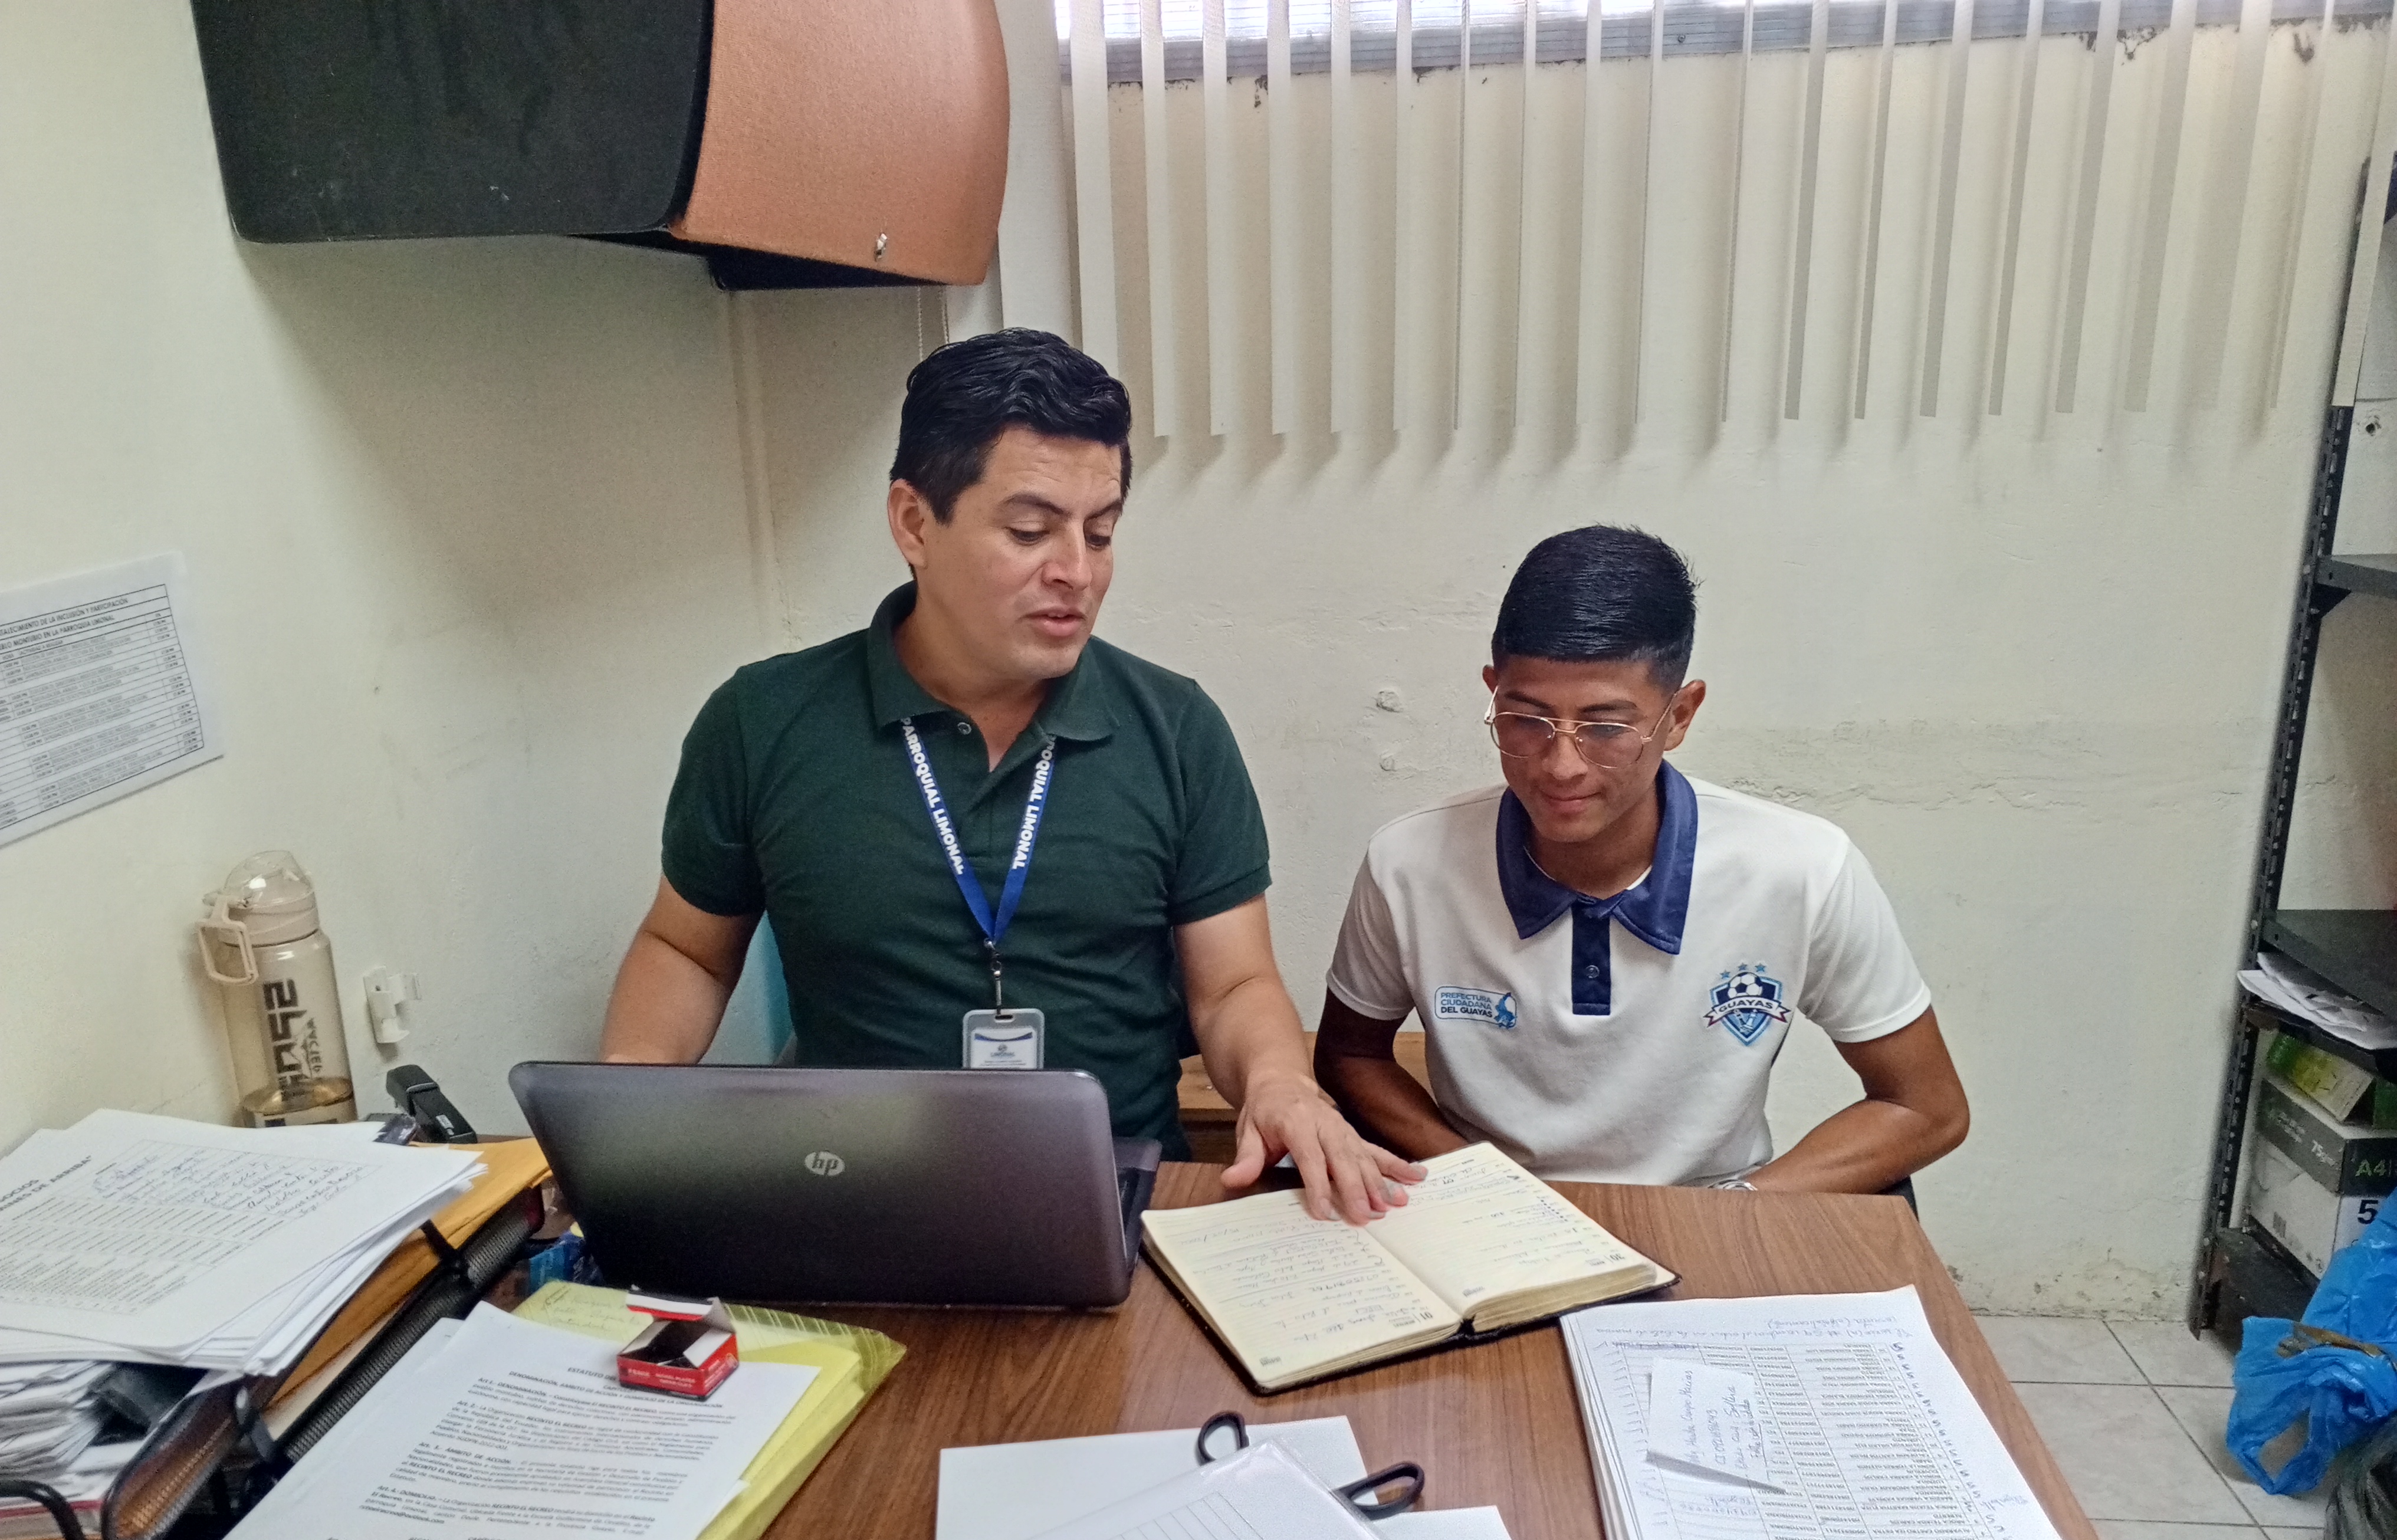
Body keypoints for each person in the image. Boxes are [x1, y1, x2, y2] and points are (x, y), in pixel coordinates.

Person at [600, 328, 1417, 1223]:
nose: (1076, 572)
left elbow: (1231, 986)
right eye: (1030, 532)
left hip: (1119, 1196)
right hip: (849, 1194)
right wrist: (626, 1098)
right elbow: (686, 948)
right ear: (915, 523)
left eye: (1100, 533)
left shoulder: (1176, 729)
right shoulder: (761, 721)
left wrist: (1278, 1081)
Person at [1314, 524, 1968, 1194]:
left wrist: (1738, 1210)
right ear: (1493, 693)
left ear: (1679, 715)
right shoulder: (1409, 862)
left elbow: (1925, 1108)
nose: (1561, 766)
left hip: (1714, 1210)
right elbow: (1349, 1055)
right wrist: (1486, 1184)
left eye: (1606, 727)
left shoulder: (1802, 869)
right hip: (1497, 1217)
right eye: (1527, 720)